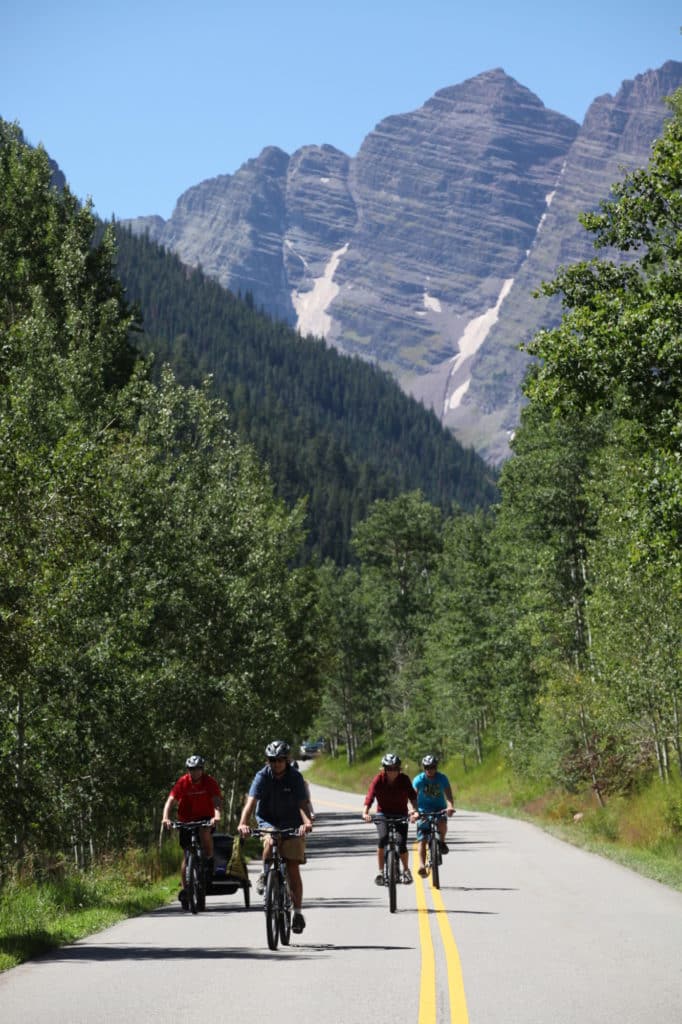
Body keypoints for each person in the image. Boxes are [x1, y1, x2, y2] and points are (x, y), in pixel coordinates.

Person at [238, 740, 313, 934]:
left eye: (280, 760)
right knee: (270, 841)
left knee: (293, 867)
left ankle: (297, 913)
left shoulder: (295, 777)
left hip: (292, 823)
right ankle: (265, 874)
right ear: (268, 760)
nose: (277, 763)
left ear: (286, 760)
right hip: (268, 820)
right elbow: (250, 803)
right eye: (273, 760)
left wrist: (306, 823)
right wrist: (243, 823)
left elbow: (302, 804)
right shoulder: (262, 776)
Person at [162, 754, 222, 907]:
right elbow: (170, 801)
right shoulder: (183, 782)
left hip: (205, 817)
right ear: (188, 770)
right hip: (186, 819)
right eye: (191, 769)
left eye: (197, 769)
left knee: (204, 832)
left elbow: (216, 802)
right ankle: (186, 889)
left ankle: (208, 859)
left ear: (202, 769)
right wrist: (166, 818)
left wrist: (216, 816)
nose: (194, 772)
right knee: (187, 853)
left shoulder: (209, 782)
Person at [362, 752, 418, 885]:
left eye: (395, 768)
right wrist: (365, 812)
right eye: (389, 769)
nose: (392, 772)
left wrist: (414, 811)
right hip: (383, 814)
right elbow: (370, 797)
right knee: (383, 839)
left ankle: (405, 870)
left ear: (399, 769)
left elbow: (413, 797)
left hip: (401, 814)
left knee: (401, 842)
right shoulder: (378, 780)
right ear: (384, 769)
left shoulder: (404, 779)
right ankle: (381, 872)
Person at [412, 754, 455, 876]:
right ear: (423, 767)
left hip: (439, 808)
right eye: (427, 767)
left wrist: (450, 807)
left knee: (442, 822)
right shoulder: (418, 780)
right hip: (423, 810)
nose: (430, 770)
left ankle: (441, 842)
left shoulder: (442, 778)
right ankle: (421, 865)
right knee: (422, 839)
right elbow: (412, 797)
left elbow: (449, 796)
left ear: (436, 767)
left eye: (432, 767)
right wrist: (414, 811)